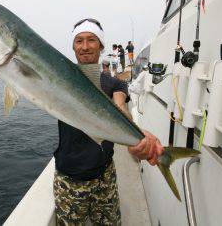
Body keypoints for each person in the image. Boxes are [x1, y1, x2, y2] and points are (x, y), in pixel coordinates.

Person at [53, 18, 164, 225]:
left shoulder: (114, 83)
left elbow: (120, 108)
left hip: (105, 176)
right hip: (69, 179)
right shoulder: (61, 78)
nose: (85, 47)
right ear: (73, 47)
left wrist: (138, 136)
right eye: (79, 41)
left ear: (101, 46)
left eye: (91, 40)